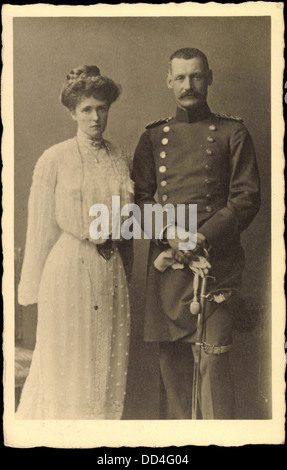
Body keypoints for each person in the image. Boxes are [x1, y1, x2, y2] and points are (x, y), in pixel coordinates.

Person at [132, 48, 261, 419]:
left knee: (214, 369)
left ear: (209, 78)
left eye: (196, 76)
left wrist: (201, 238)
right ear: (168, 81)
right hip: (168, 269)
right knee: (172, 374)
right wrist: (172, 235)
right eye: (181, 77)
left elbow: (246, 197)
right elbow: (139, 200)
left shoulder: (233, 132)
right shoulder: (153, 136)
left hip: (215, 263)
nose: (189, 85)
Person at [16, 65, 134, 419]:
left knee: (106, 364)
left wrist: (126, 272)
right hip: (68, 270)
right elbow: (39, 229)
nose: (96, 117)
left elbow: (127, 226)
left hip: (111, 272)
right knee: (69, 364)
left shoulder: (119, 157)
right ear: (72, 112)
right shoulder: (54, 158)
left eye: (102, 108)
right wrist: (31, 290)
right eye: (87, 109)